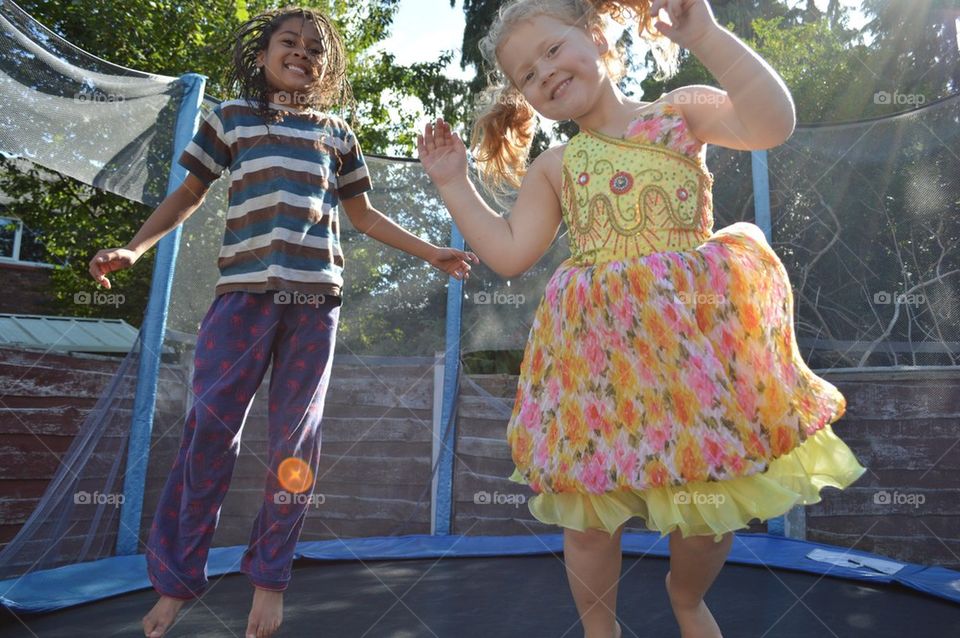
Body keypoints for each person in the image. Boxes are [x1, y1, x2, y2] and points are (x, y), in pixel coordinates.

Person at [417, 1, 865, 636]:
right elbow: (510, 253)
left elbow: (772, 124)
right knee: (587, 514)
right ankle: (602, 630)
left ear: (597, 36)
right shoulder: (556, 165)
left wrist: (705, 35)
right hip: (600, 365)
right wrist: (453, 182)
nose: (542, 73)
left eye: (551, 50)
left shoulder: (679, 113)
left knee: (709, 511)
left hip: (689, 353)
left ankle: (686, 599)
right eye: (525, 75)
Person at [89, 7, 477, 638]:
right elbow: (188, 195)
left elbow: (366, 218)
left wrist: (432, 250)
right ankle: (177, 582)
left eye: (315, 48)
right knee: (208, 434)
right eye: (289, 42)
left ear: (326, 68)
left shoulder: (337, 133)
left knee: (296, 445)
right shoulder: (231, 120)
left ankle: (269, 579)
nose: (302, 53)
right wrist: (133, 248)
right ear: (264, 53)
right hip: (241, 300)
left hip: (314, 304)